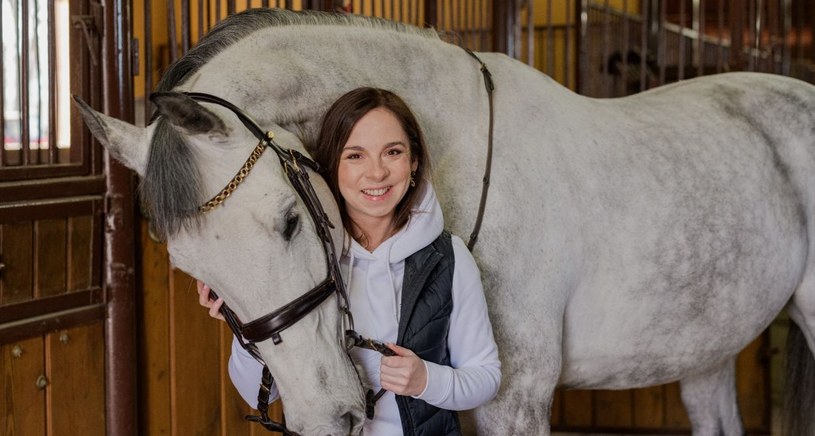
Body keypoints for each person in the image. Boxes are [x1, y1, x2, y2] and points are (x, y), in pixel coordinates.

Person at [197, 87, 500, 435]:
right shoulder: (301, 259)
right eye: (355, 156)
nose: (376, 173)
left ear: (413, 162)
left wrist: (426, 380)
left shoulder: (449, 258)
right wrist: (247, 323)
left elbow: (486, 377)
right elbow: (255, 393)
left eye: (393, 152)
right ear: (331, 166)